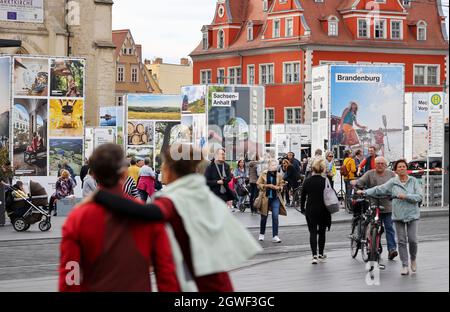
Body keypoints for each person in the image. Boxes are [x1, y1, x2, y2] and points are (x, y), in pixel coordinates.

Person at [91, 143, 262, 291]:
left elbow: (147, 213)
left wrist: (101, 196)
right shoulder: (200, 194)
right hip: (217, 283)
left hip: (199, 288)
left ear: (170, 169)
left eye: (164, 164)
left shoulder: (177, 199)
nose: (162, 168)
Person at [59, 144, 180, 292]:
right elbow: (166, 271)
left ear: (94, 175)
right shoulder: (148, 214)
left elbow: (71, 274)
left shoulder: (77, 218)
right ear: (124, 174)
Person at [357, 159, 422, 276]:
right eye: (399, 167)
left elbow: (419, 196)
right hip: (398, 215)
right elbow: (379, 189)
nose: (402, 169)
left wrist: (406, 196)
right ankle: (405, 265)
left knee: (413, 240)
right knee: (401, 241)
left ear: (406, 168)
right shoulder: (393, 182)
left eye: (403, 167)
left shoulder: (414, 181)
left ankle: (413, 258)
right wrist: (365, 192)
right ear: (396, 170)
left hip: (412, 214)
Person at [351, 156, 398, 260]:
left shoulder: (391, 174)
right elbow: (360, 183)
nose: (380, 165)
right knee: (373, 227)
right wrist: (356, 184)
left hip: (387, 206)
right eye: (378, 163)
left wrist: (396, 193)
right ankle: (373, 246)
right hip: (373, 205)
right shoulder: (369, 173)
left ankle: (392, 249)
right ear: (374, 165)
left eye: (382, 163)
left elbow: (397, 185)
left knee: (389, 227)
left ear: (385, 165)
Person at [300, 158, 332, 264]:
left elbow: (303, 197)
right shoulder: (325, 181)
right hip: (323, 209)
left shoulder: (307, 181)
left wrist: (302, 209)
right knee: (322, 232)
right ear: (323, 169)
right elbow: (330, 195)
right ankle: (321, 254)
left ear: (313, 169)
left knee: (312, 232)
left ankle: (314, 255)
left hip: (311, 209)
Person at [257, 160, 287, 244]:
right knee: (264, 217)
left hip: (275, 198)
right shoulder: (263, 174)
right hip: (265, 198)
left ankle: (275, 236)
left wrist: (279, 188)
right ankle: (261, 234)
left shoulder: (279, 175)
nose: (274, 166)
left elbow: (282, 185)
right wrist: (267, 186)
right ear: (269, 166)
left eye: (275, 165)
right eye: (273, 165)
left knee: (275, 217)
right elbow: (258, 184)